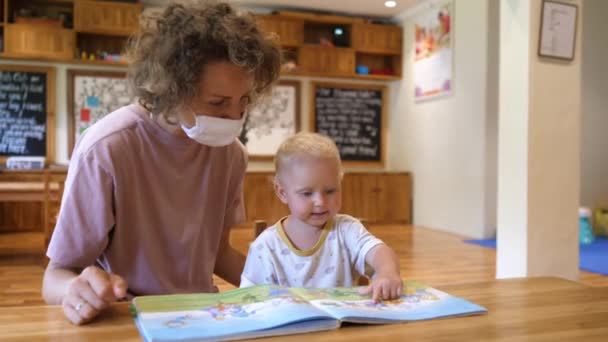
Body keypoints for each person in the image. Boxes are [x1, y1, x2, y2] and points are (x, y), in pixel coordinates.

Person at [42, 0, 281, 325]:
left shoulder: (231, 154)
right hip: (129, 318)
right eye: (218, 102)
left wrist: (285, 291)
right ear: (171, 89)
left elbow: (218, 254)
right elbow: (56, 275)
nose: (235, 116)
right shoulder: (108, 148)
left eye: (244, 101)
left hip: (203, 316)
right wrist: (75, 290)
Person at [240, 132, 402, 302]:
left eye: (330, 191)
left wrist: (387, 273)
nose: (320, 201)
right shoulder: (265, 247)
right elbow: (250, 299)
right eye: (307, 193)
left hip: (343, 326)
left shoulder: (347, 230)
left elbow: (379, 252)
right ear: (282, 192)